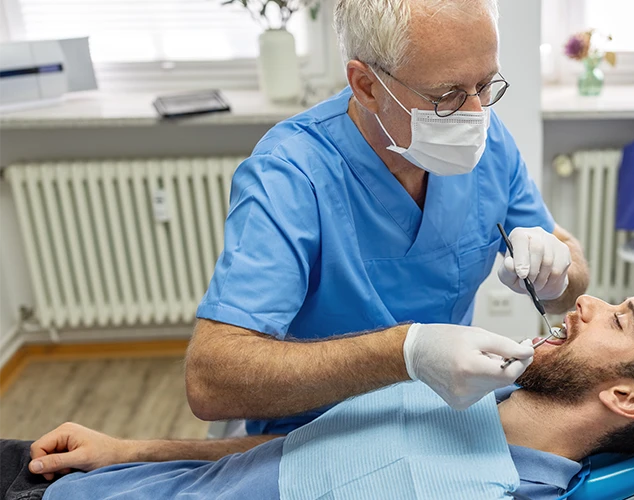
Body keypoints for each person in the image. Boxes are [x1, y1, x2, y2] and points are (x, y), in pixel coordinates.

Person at [185, 0, 591, 436]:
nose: (476, 115)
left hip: (436, 420)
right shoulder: (291, 172)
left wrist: (557, 275)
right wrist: (405, 354)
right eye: (446, 96)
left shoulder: (491, 146)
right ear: (367, 86)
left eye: (486, 84)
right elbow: (210, 382)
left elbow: (572, 280)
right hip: (309, 437)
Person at [2, 288, 634, 500]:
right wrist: (125, 452)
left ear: (626, 399)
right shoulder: (474, 396)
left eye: (617, 320)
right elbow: (304, 454)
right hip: (101, 478)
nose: (585, 304)